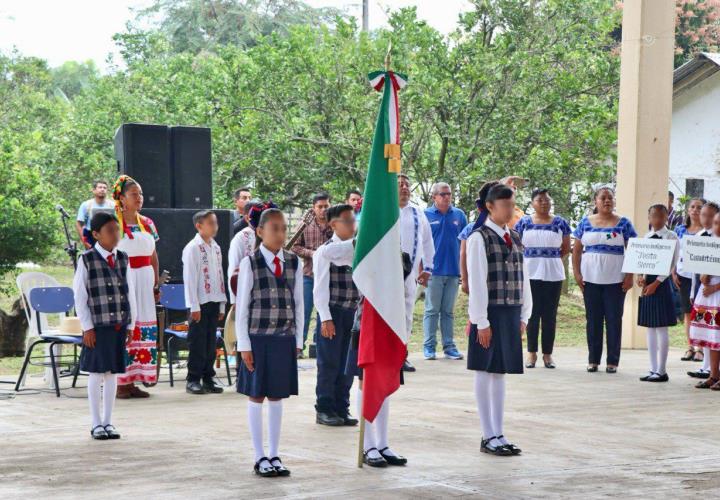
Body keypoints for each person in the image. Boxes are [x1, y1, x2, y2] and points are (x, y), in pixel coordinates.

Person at [318, 237, 411, 467]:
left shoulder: (403, 257)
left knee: (385, 381)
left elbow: (408, 294)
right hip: (367, 326)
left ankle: (383, 443)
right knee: (366, 381)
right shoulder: (364, 248)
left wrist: (406, 332)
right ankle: (368, 444)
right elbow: (324, 253)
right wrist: (358, 242)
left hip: (392, 327)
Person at [235, 208, 303, 477]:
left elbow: (298, 303)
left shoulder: (293, 262)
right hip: (257, 339)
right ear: (260, 232)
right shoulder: (250, 263)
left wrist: (297, 340)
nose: (281, 233)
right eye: (274, 228)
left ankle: (275, 453)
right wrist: (244, 345)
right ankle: (259, 455)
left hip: (283, 338)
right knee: (257, 394)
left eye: (284, 228)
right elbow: (242, 307)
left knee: (276, 394)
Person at [467, 184, 531, 456]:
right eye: (504, 205)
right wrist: (481, 320)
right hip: (489, 312)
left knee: (500, 371)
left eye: (512, 204)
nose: (510, 209)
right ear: (490, 207)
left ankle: (499, 432)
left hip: (510, 311)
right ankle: (487, 434)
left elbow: (524, 277)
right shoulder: (479, 238)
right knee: (485, 369)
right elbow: (478, 282)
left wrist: (525, 313)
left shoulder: (515, 237)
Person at [73, 212, 137, 440]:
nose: (115, 234)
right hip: (98, 326)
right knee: (97, 372)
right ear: (97, 234)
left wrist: (131, 323)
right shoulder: (86, 259)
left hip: (118, 324)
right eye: (110, 230)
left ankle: (109, 421)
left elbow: (130, 292)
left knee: (112, 373)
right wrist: (87, 327)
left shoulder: (123, 258)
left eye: (117, 229)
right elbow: (80, 297)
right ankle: (95, 423)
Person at [572, 187, 636, 373]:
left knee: (614, 320)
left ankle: (612, 362)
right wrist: (577, 273)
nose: (607, 201)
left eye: (610, 198)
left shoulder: (624, 223)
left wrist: (629, 276)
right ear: (596, 202)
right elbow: (576, 251)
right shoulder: (585, 222)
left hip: (616, 281)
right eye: (603, 198)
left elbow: (632, 250)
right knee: (593, 320)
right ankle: (593, 360)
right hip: (590, 280)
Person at [112, 175, 161, 398]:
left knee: (143, 324)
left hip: (144, 279)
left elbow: (153, 255)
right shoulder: (113, 224)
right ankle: (121, 382)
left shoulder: (148, 223)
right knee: (128, 326)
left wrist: (156, 282)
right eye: (134, 194)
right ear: (122, 198)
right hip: (124, 278)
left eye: (140, 194)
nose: (139, 198)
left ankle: (135, 379)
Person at [312, 204, 360, 426]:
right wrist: (325, 317)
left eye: (354, 220)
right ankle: (324, 408)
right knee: (329, 363)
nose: (353, 225)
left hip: (352, 313)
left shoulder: (357, 248)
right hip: (333, 313)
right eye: (348, 221)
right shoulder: (325, 251)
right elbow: (320, 287)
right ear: (333, 225)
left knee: (347, 363)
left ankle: (342, 406)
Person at [514, 188, 571, 369]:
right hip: (530, 273)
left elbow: (565, 248)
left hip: (553, 274)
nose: (544, 203)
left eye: (547, 200)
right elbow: (516, 246)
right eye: (540, 200)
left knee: (550, 315)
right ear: (532, 203)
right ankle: (531, 353)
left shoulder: (560, 222)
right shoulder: (523, 222)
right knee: (531, 314)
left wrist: (548, 259)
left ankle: (548, 354)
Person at [182, 210, 227, 395]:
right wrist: (194, 305)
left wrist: (223, 303)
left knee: (210, 342)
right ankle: (193, 378)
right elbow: (190, 279)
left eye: (215, 223)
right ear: (199, 226)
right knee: (198, 342)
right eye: (210, 223)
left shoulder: (216, 248)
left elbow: (220, 276)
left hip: (214, 300)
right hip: (199, 302)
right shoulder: (192, 248)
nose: (215, 227)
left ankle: (208, 377)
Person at [423, 182, 467, 360]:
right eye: (442, 194)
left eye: (449, 194)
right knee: (432, 309)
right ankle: (429, 347)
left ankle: (449, 347)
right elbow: (421, 244)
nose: (447, 197)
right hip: (433, 270)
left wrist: (464, 272)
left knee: (448, 311)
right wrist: (421, 269)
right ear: (434, 197)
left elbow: (465, 243)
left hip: (453, 271)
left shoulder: (459, 215)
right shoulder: (425, 215)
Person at [636, 204, 679, 383]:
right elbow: (642, 260)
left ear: (666, 217)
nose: (657, 219)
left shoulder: (672, 236)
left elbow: (671, 264)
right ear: (649, 217)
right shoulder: (646, 237)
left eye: (661, 216)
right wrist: (641, 276)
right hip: (649, 284)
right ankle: (652, 368)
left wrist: (656, 283)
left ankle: (662, 370)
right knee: (650, 327)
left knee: (661, 327)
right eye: (653, 216)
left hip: (662, 284)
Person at [398, 174, 434, 372]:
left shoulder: (418, 213)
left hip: (409, 274)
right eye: (399, 184)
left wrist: (427, 268)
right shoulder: (384, 210)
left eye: (406, 185)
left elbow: (427, 242)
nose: (404, 188)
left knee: (406, 315)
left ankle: (401, 356)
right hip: (386, 276)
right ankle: (385, 355)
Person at [291, 192, 332, 354]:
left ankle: (320, 345)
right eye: (320, 207)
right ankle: (299, 346)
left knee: (325, 312)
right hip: (308, 274)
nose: (323, 210)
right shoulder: (304, 224)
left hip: (329, 276)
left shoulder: (334, 224)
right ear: (313, 208)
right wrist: (312, 254)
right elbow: (294, 246)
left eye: (326, 206)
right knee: (304, 311)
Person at [687, 201, 720, 379]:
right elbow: (695, 269)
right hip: (704, 293)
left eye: (714, 219)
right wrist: (695, 291)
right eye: (704, 215)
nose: (708, 221)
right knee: (709, 332)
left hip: (717, 292)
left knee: (717, 334)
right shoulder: (699, 236)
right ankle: (710, 372)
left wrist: (714, 285)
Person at [673, 197, 705, 362]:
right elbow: (675, 252)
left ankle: (701, 348)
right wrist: (673, 272)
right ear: (688, 210)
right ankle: (690, 347)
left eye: (699, 207)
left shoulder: (708, 231)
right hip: (683, 276)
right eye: (692, 207)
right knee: (687, 312)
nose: (695, 210)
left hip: (701, 277)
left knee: (700, 311)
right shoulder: (680, 230)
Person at [76, 180, 114, 249]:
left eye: (104, 188)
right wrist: (85, 242)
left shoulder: (112, 205)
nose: (102, 189)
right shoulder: (86, 205)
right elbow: (79, 224)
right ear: (94, 190)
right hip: (91, 237)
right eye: (100, 187)